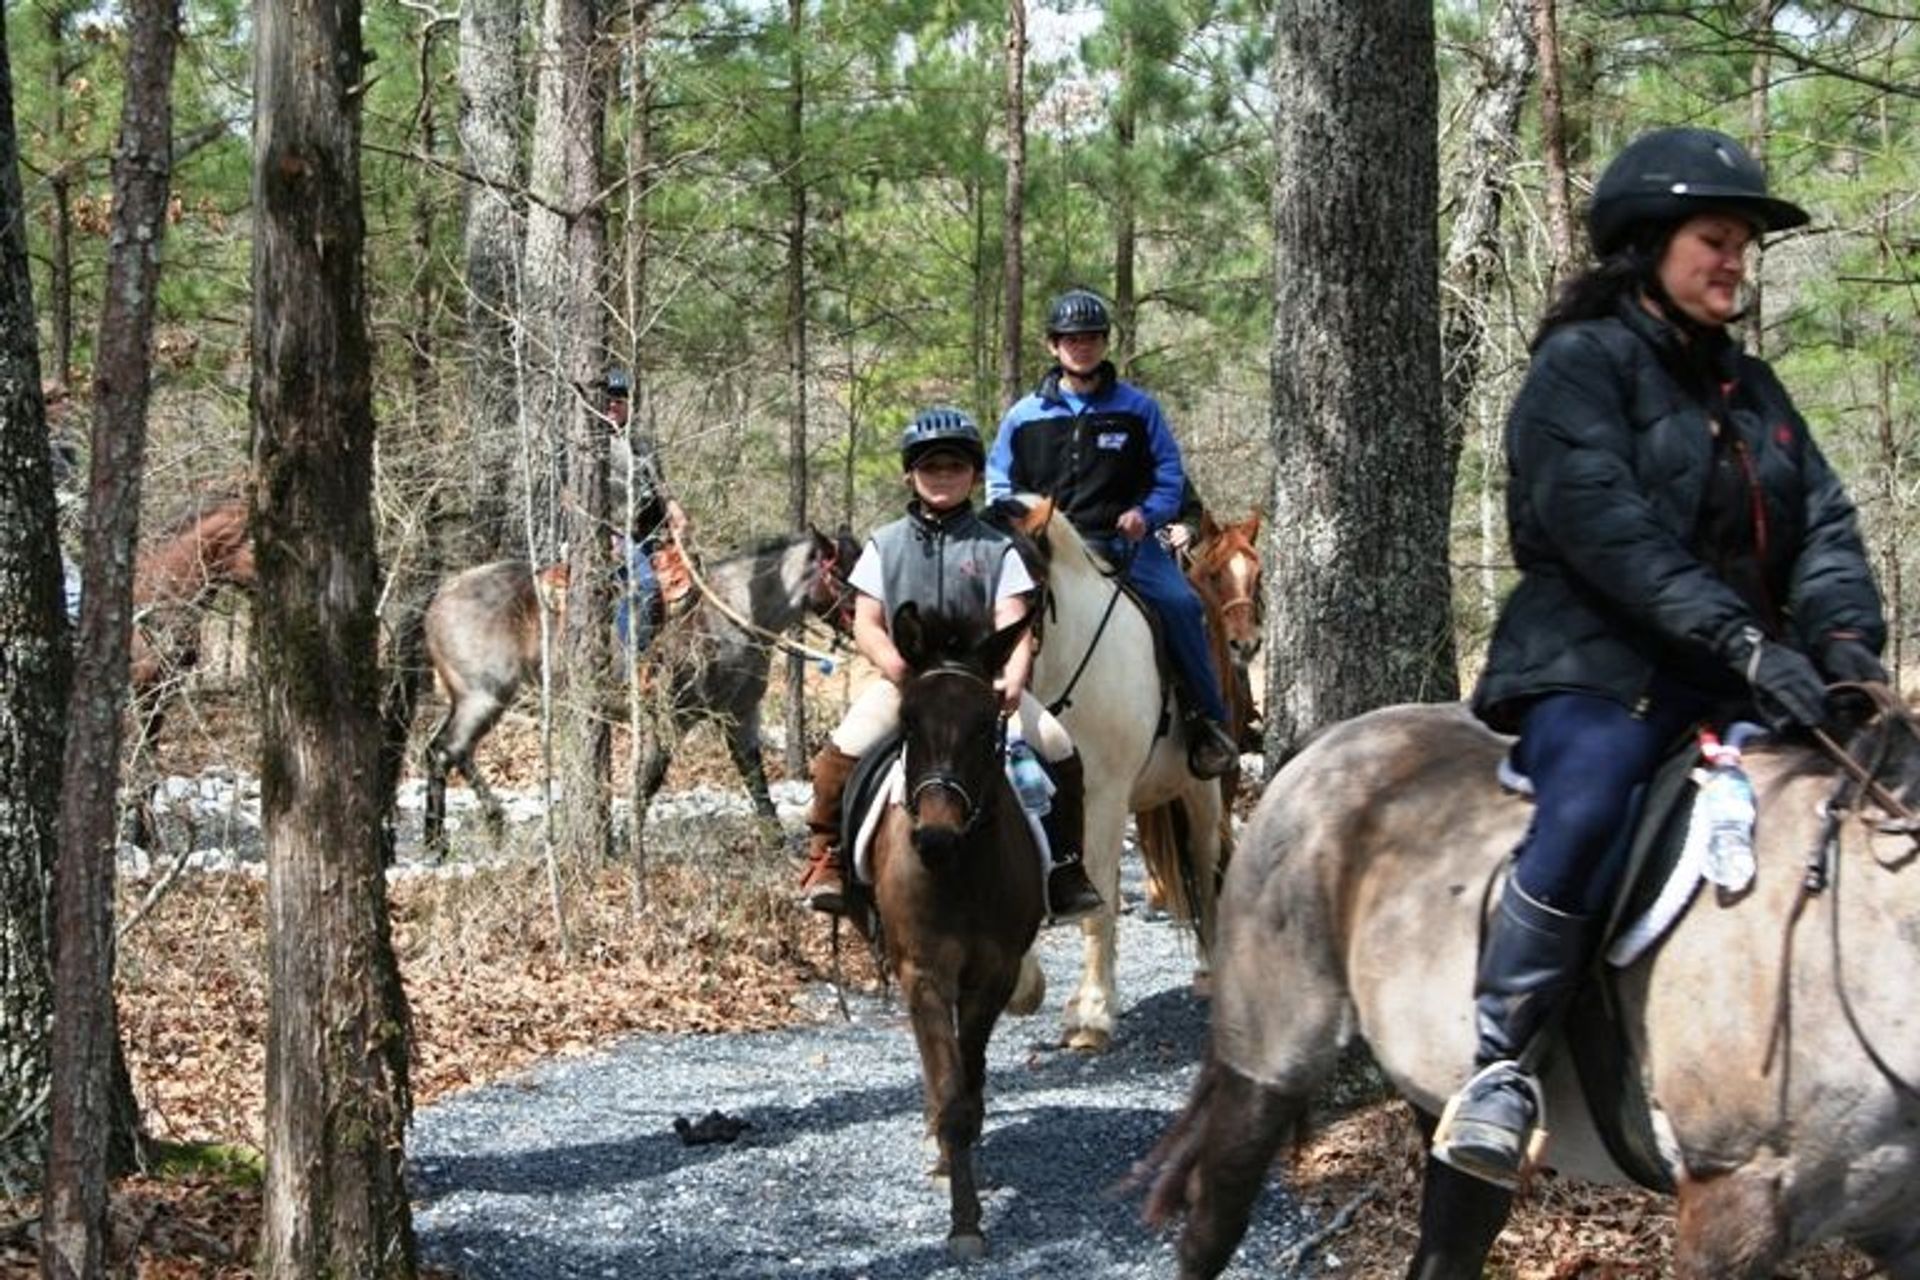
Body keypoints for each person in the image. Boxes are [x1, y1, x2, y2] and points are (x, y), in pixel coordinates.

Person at [1430, 126, 1888, 1188]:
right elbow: (1606, 532)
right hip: (1597, 664)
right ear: (1648, 244)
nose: (1735, 260)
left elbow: (1824, 526)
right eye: (1715, 239)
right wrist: (1740, 638)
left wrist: (1846, 647)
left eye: (1743, 245)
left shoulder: (1755, 389)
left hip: (1738, 669)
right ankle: (1501, 1062)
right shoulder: (1577, 369)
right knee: (1592, 796)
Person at [796, 406, 1105, 924]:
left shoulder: (998, 547)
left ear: (975, 476)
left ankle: (1066, 871)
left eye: (955, 467)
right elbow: (867, 621)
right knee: (838, 755)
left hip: (979, 686)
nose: (943, 477)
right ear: (910, 474)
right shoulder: (885, 544)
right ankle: (826, 859)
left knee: (1059, 748)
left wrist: (1012, 677)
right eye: (931, 467)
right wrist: (896, 666)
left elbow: (1017, 622)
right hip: (908, 683)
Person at [986, 288, 1239, 779]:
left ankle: (1206, 721)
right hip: (1047, 549)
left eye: (1092, 338)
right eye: (1071, 339)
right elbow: (999, 482)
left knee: (1183, 606)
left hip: (1123, 544)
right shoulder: (1023, 417)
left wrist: (1147, 513)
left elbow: (1168, 472)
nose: (1082, 347)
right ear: (1053, 345)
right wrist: (1021, 520)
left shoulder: (1137, 410)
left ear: (1104, 345)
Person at [604, 368, 690, 650]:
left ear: (628, 403)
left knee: (683, 582)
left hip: (646, 533)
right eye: (608, 399)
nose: (613, 405)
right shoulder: (592, 444)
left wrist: (675, 511)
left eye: (619, 399)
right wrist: (608, 536)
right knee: (645, 585)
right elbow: (570, 497)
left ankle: (664, 653)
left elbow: (660, 485)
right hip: (612, 534)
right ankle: (627, 658)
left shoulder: (641, 442)